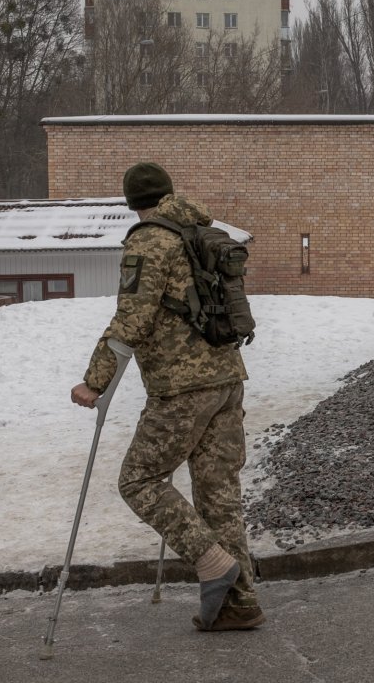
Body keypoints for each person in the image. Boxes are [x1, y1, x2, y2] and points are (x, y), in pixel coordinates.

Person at [70, 162, 263, 632]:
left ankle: (210, 560)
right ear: (169, 193)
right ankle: (239, 604)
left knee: (138, 480)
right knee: (219, 495)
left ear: (132, 202)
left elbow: (132, 320)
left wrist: (94, 382)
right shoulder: (200, 230)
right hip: (226, 378)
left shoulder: (149, 240)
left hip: (181, 388)